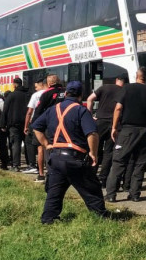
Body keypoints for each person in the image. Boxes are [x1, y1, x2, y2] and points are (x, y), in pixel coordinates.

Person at [31, 81, 106, 224]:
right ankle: (101, 218)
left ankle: (48, 220)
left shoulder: (52, 109)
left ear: (65, 94)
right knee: (92, 190)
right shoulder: (81, 110)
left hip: (56, 158)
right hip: (75, 160)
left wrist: (46, 144)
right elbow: (92, 134)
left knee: (54, 193)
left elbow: (36, 128)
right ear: (81, 95)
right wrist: (93, 153)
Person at [106, 67, 146, 202]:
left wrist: (113, 127)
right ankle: (135, 194)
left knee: (118, 161)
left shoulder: (127, 88)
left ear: (136, 76)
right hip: (144, 131)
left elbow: (118, 108)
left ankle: (111, 194)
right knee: (140, 164)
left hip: (127, 131)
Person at [86, 72, 126, 184]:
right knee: (109, 152)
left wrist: (90, 115)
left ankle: (91, 175)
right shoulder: (124, 91)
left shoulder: (105, 87)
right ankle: (103, 178)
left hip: (100, 122)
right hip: (114, 124)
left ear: (116, 79)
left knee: (95, 149)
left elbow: (89, 99)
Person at [31, 74, 66, 183]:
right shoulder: (66, 91)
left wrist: (35, 125)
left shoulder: (46, 94)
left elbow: (38, 111)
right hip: (65, 124)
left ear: (49, 83)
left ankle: (47, 174)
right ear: (59, 81)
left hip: (50, 125)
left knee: (47, 149)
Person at [4, 78, 30, 172]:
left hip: (14, 124)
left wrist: (3, 124)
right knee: (27, 144)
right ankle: (30, 164)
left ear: (15, 85)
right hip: (26, 123)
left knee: (16, 144)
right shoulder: (28, 94)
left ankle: (16, 165)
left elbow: (5, 110)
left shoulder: (11, 95)